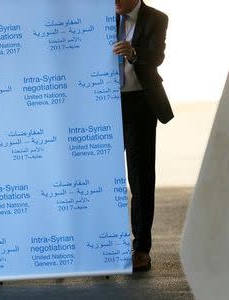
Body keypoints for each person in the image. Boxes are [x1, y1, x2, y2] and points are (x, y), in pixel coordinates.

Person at [113, 0, 174, 272]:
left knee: (140, 178)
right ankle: (102, 246)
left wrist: (134, 53)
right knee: (100, 179)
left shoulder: (156, 18)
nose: (112, 3)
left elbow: (157, 57)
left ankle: (141, 249)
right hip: (104, 105)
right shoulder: (99, 16)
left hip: (140, 104)